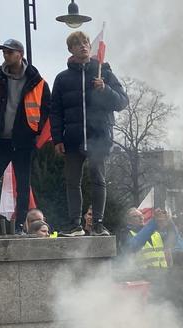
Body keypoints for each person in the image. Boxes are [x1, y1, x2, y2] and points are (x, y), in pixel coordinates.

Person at [50, 31, 128, 236]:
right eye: (77, 44)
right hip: (73, 137)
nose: (83, 46)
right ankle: (75, 224)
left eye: (85, 42)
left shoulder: (105, 73)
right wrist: (57, 138)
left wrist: (105, 90)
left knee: (98, 179)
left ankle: (98, 224)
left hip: (99, 136)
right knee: (72, 181)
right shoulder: (62, 78)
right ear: (71, 50)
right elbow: (55, 111)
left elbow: (122, 102)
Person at [0, 39, 51, 236]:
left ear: (20, 54)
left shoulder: (38, 81)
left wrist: (34, 133)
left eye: (9, 52)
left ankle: (19, 227)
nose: (5, 55)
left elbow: (46, 111)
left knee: (23, 187)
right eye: (4, 52)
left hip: (23, 143)